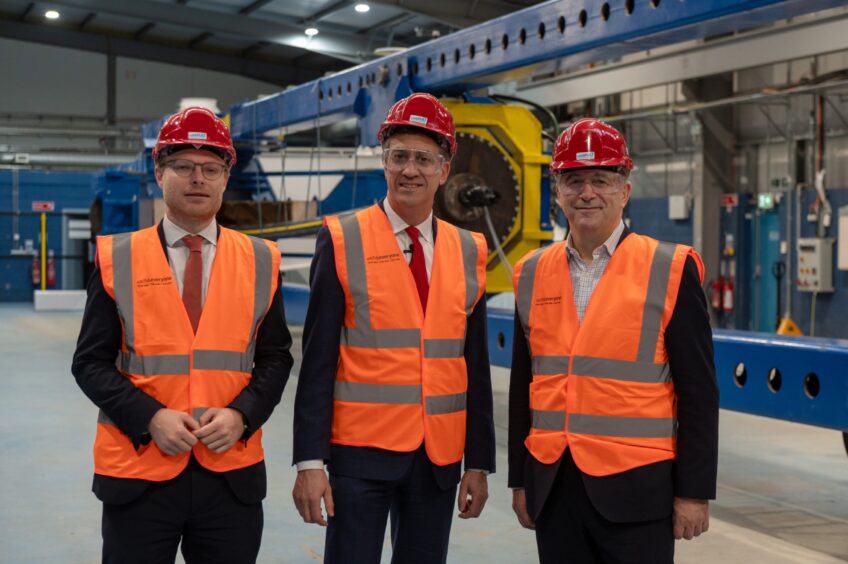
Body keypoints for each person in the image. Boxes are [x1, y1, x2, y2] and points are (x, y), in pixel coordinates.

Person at [72, 107, 293, 564]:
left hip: (229, 474)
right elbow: (89, 363)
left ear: (226, 177)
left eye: (211, 168)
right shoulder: (119, 257)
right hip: (139, 471)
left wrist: (242, 416)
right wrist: (150, 417)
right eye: (183, 166)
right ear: (159, 172)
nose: (198, 178)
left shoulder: (261, 260)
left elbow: (276, 358)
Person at [292, 92, 496, 564]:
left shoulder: (470, 250)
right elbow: (318, 360)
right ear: (383, 162)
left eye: (424, 159)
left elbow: (475, 367)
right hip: (358, 458)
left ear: (444, 169)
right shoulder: (343, 237)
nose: (410, 170)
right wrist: (309, 461)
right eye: (398, 156)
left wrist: (479, 463)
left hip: (438, 460)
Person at [508, 118, 719, 563]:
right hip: (554, 486)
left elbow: (698, 392)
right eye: (574, 180)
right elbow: (523, 387)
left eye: (601, 180)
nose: (587, 193)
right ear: (558, 190)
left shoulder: (670, 268)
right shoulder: (530, 272)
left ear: (624, 189)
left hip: (638, 492)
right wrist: (521, 481)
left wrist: (694, 493)